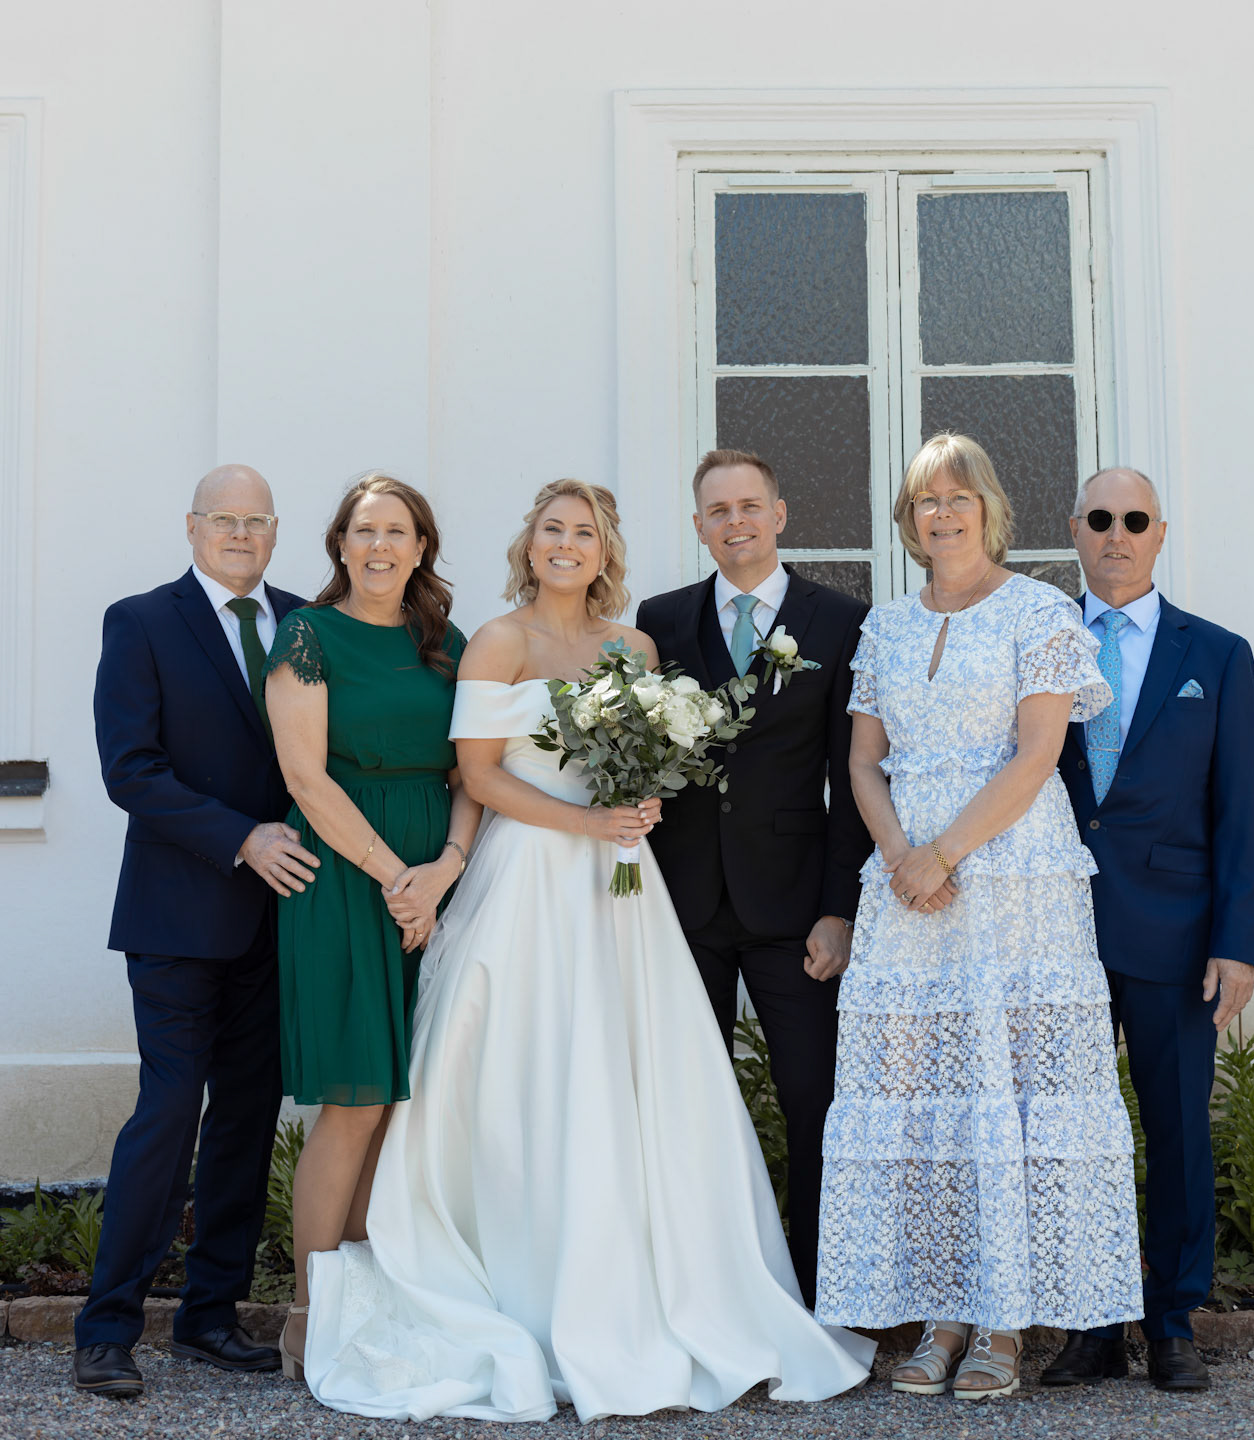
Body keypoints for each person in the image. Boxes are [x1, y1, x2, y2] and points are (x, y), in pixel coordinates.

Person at [300, 478, 873, 1420]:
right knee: (522, 1072)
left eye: (584, 532)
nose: (566, 544)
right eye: (552, 530)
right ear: (529, 546)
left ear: (606, 551)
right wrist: (585, 819)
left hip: (621, 884)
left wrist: (640, 798)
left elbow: (666, 765)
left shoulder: (635, 648)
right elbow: (478, 776)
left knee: (631, 1072)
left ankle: (658, 1288)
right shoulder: (496, 641)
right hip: (528, 877)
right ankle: (515, 1278)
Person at [816, 432, 1144, 1403]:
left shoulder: (1038, 610)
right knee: (923, 1096)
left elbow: (1038, 752)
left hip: (1010, 877)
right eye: (926, 500)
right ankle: (942, 1313)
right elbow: (862, 761)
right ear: (908, 520)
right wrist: (900, 856)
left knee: (1009, 1091)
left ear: (990, 509)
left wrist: (945, 852)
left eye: (958, 497)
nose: (943, 513)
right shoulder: (887, 625)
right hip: (905, 888)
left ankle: (1003, 1319)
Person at [74, 466, 313, 1400]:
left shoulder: (306, 624)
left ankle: (209, 1318)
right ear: (192, 527)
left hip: (282, 915)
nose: (240, 534)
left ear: (275, 531)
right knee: (169, 1115)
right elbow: (130, 769)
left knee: (248, 1118)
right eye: (224, 519)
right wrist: (241, 837)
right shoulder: (140, 621)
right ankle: (107, 1329)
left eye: (256, 520)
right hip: (177, 915)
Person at [1041, 468, 1254, 1395]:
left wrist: (1237, 940)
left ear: (1159, 534)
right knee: (1074, 1133)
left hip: (1176, 932)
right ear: (1074, 531)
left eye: (1134, 519)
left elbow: (1240, 807)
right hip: (1053, 929)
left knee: (1175, 1131)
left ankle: (1172, 1323)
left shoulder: (1215, 654)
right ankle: (1091, 1326)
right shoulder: (1037, 637)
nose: (1116, 534)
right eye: (1099, 518)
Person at [636, 449, 871, 1309]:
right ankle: (705, 1293)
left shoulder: (839, 620)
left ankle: (819, 1296)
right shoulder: (658, 620)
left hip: (794, 907)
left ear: (778, 514)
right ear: (699, 525)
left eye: (747, 506)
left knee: (814, 1099)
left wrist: (839, 910)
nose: (733, 522)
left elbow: (852, 778)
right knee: (687, 1105)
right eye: (716, 511)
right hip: (683, 900)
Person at [263, 474, 478, 1380]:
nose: (380, 546)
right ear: (340, 546)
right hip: (347, 878)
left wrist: (445, 868)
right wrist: (396, 878)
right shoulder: (307, 636)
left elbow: (474, 772)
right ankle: (309, 1313)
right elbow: (305, 778)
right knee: (353, 1099)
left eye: (397, 532)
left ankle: (370, 1296)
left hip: (432, 876)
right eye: (364, 531)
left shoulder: (446, 643)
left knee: (401, 1101)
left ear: (421, 547)